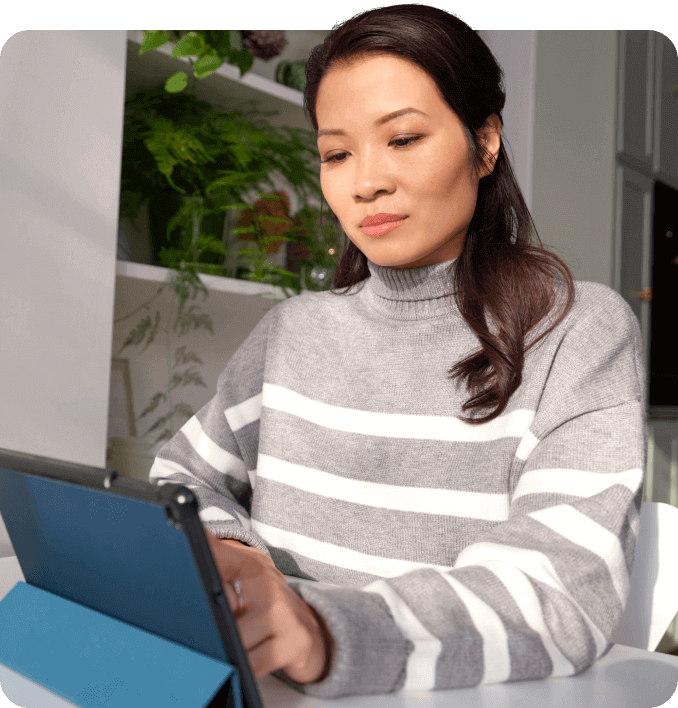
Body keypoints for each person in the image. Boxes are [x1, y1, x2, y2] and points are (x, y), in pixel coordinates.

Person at [149, 7, 648, 700]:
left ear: (485, 143)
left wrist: (321, 628)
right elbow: (178, 477)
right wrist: (234, 559)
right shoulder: (292, 330)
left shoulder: (575, 330)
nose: (366, 182)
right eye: (336, 153)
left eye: (404, 138)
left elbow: (559, 593)